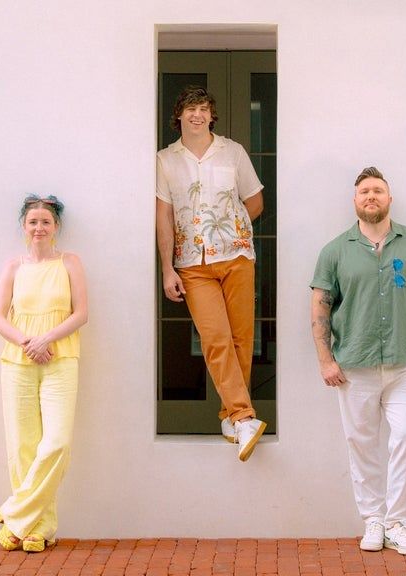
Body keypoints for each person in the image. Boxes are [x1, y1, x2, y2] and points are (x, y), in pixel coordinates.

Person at [310, 167, 406, 555]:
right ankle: (373, 520)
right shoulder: (335, 251)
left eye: (378, 191)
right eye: (365, 191)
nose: (371, 196)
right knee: (362, 444)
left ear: (389, 199)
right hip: (354, 366)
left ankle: (399, 523)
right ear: (355, 200)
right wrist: (325, 360)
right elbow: (319, 308)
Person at [155, 85, 266, 460]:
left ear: (211, 115)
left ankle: (231, 417)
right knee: (215, 338)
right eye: (190, 109)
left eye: (203, 109)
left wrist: (232, 228)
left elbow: (254, 201)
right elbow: (164, 217)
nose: (197, 115)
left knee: (241, 339)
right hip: (192, 264)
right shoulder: (165, 160)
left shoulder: (233, 151)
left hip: (237, 256)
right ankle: (244, 415)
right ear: (179, 116)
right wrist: (167, 268)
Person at [0, 195, 88, 552]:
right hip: (18, 362)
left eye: (45, 221)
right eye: (33, 221)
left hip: (61, 358)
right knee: (22, 446)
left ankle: (14, 515)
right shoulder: (13, 267)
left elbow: (81, 313)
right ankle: (38, 529)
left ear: (56, 226)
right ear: (24, 225)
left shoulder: (70, 262)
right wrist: (27, 342)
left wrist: (46, 339)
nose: (39, 227)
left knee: (57, 443)